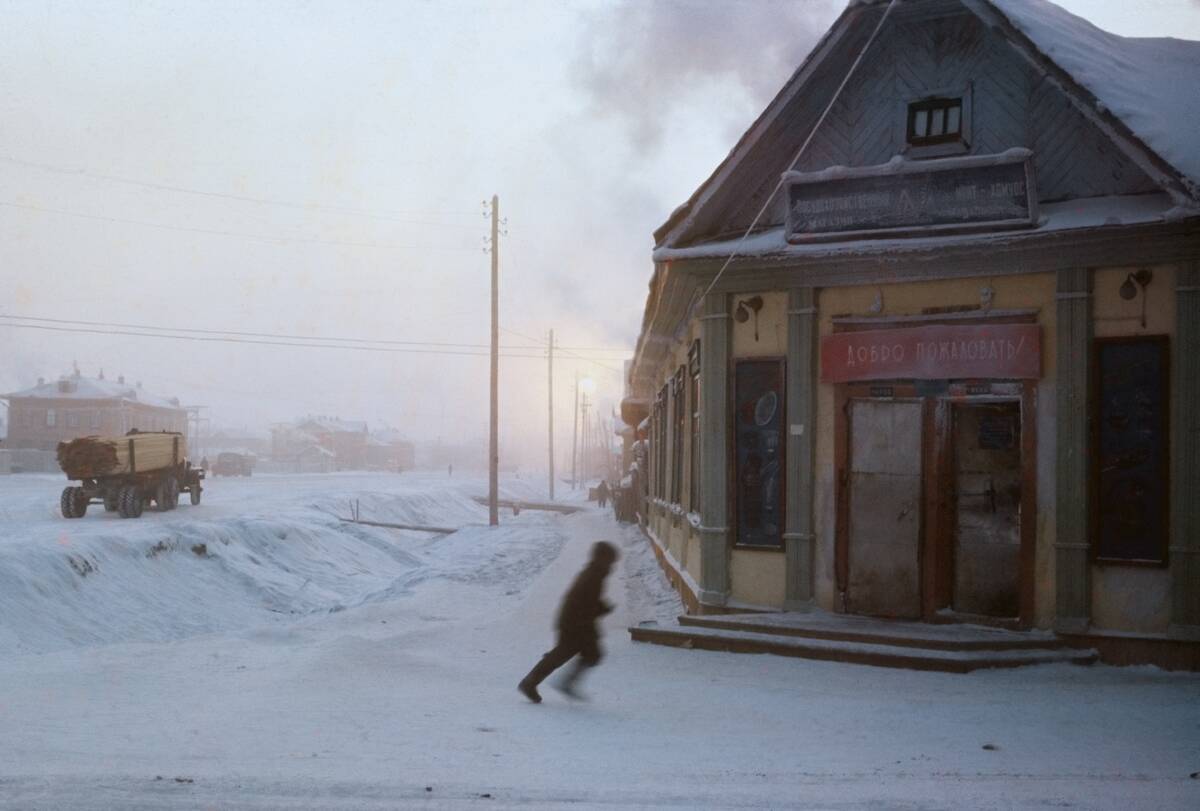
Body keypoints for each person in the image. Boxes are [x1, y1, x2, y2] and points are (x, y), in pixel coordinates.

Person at [519, 541, 619, 703]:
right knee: (579, 655)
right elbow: (585, 602)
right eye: (611, 560)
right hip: (575, 623)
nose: (613, 564)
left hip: (576, 621)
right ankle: (534, 683)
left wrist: (601, 607)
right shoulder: (594, 575)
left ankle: (540, 683)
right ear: (603, 558)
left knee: (576, 655)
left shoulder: (595, 572)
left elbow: (588, 600)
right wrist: (602, 609)